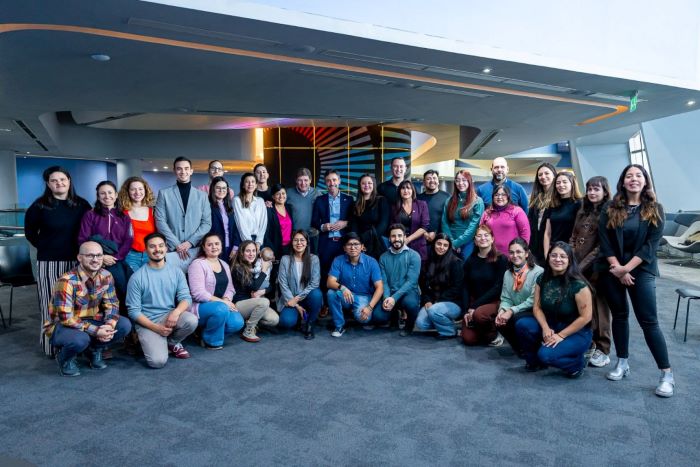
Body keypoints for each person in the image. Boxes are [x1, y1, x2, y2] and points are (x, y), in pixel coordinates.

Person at [598, 164, 674, 397]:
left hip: (641, 269)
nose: (633, 179)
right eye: (629, 176)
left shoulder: (655, 209)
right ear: (622, 181)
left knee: (649, 321)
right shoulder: (610, 208)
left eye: (638, 175)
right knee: (619, 316)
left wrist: (626, 269)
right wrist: (618, 268)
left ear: (645, 181)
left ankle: (666, 374)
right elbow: (605, 240)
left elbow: (650, 245)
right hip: (612, 268)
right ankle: (622, 362)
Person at [25, 166, 91, 356]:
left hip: (77, 263)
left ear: (69, 181)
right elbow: (30, 233)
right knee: (50, 303)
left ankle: (76, 345)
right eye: (54, 180)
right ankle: (51, 346)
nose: (59, 183)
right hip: (49, 262)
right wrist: (46, 246)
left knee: (77, 304)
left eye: (62, 179)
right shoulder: (39, 206)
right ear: (48, 184)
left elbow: (89, 230)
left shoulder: (82, 204)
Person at [44, 241, 132, 376]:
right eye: (90, 256)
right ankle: (65, 358)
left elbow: (112, 304)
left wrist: (109, 325)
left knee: (124, 325)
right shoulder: (67, 280)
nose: (95, 260)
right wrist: (96, 331)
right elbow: (66, 318)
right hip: (64, 325)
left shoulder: (106, 276)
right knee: (80, 340)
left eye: (99, 255)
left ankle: (94, 349)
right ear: (79, 257)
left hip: (92, 319)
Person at [515, 241, 593, 378]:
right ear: (549, 257)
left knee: (546, 355)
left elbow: (585, 317)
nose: (558, 259)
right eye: (554, 255)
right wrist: (545, 328)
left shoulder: (579, 285)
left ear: (569, 260)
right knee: (522, 324)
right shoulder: (542, 278)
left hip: (576, 331)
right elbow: (537, 307)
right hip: (552, 325)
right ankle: (536, 363)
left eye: (563, 256)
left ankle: (577, 364)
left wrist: (561, 335)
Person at [126, 233, 198, 368]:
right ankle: (151, 340)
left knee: (191, 320)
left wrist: (176, 312)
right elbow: (133, 312)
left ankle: (171, 342)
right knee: (157, 362)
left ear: (166, 248)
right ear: (146, 250)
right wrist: (157, 329)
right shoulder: (137, 277)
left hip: (169, 316)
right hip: (148, 322)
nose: (157, 249)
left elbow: (186, 298)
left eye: (160, 246)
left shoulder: (176, 272)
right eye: (152, 246)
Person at [569, 176, 613, 368]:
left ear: (605, 191)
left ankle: (603, 349)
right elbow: (574, 236)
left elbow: (601, 246)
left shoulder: (609, 212)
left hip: (597, 269)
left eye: (596, 189)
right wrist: (571, 259)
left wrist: (581, 266)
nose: (592, 193)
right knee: (584, 307)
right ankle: (590, 343)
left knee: (599, 308)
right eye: (589, 189)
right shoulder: (583, 210)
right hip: (577, 266)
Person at [78, 181, 133, 314]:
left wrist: (115, 258)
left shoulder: (124, 217)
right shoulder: (90, 215)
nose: (107, 196)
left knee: (123, 289)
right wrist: (101, 257)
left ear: (116, 195)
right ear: (98, 196)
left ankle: (122, 320)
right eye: (102, 193)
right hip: (93, 261)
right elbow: (83, 239)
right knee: (93, 294)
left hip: (116, 261)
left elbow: (128, 240)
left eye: (110, 192)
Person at [187, 233, 245, 349]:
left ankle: (205, 333)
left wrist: (226, 299)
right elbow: (198, 293)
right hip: (201, 307)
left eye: (217, 244)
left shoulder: (224, 264)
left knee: (237, 323)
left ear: (221, 246)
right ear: (204, 247)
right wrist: (223, 302)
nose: (214, 247)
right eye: (210, 245)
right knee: (221, 309)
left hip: (221, 306)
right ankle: (212, 341)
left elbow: (230, 288)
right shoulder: (197, 264)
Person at [154, 156, 212, 272]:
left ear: (191, 171)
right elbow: (160, 221)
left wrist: (190, 242)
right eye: (179, 168)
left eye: (186, 168)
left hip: (195, 249)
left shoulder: (202, 196)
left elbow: (206, 223)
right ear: (174, 171)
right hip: (172, 249)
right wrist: (177, 244)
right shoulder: (164, 193)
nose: (183, 171)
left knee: (195, 280)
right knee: (172, 280)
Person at [326, 233, 386, 337]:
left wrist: (369, 307)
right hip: (346, 294)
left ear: (362, 247)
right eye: (349, 244)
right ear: (344, 248)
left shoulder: (371, 262)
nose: (353, 247)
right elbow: (330, 282)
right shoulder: (338, 260)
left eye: (356, 244)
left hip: (364, 296)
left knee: (364, 319)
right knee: (331, 293)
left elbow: (380, 287)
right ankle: (339, 325)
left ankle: (352, 312)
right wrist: (342, 288)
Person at [494, 238, 544, 356]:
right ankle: (520, 349)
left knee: (516, 319)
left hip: (534, 311)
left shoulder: (538, 272)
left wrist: (511, 311)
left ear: (526, 253)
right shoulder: (508, 273)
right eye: (511, 252)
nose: (515, 255)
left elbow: (533, 300)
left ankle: (534, 348)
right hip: (517, 311)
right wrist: (502, 311)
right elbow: (506, 298)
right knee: (500, 320)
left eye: (518, 252)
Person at [461, 225, 508, 346]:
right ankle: (481, 329)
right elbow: (465, 287)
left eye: (486, 235)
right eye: (479, 236)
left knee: (479, 316)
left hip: (494, 302)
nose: (483, 238)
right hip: (474, 303)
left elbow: (498, 288)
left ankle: (497, 330)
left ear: (492, 239)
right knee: (468, 339)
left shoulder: (501, 259)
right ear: (475, 241)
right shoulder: (470, 261)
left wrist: (474, 307)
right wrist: (466, 311)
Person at [311, 170, 354, 292]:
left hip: (344, 242)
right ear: (325, 183)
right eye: (328, 180)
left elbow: (354, 220)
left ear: (339, 181)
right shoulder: (319, 200)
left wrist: (345, 223)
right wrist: (323, 227)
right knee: (325, 272)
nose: (332, 183)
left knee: (345, 272)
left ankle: (343, 297)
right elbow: (314, 221)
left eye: (334, 180)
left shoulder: (349, 199)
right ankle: (325, 300)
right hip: (326, 243)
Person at [415, 234, 464, 339]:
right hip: (433, 302)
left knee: (434, 311)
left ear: (449, 247)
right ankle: (445, 322)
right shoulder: (427, 262)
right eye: (439, 244)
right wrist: (427, 301)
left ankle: (449, 332)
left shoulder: (455, 263)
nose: (441, 247)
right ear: (434, 244)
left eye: (445, 245)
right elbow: (424, 287)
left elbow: (457, 288)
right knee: (421, 323)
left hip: (453, 302)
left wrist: (438, 302)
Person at [230, 240, 280, 342]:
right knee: (264, 302)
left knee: (274, 319)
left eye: (253, 251)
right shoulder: (238, 267)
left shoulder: (255, 264)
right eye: (248, 251)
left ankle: (252, 322)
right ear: (242, 252)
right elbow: (255, 286)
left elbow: (270, 286)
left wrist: (262, 292)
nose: (251, 254)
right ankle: (248, 331)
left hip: (254, 302)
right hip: (239, 304)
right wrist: (264, 270)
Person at [277, 230, 322, 339]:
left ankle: (310, 324)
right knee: (287, 321)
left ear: (307, 243)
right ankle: (298, 317)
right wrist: (296, 305)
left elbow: (315, 283)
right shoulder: (285, 259)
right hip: (290, 298)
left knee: (317, 294)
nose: (299, 243)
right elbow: (283, 284)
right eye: (295, 240)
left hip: (307, 297)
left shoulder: (314, 259)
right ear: (291, 242)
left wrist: (297, 299)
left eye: (302, 240)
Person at [379, 225, 421, 336]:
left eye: (399, 236)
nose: (396, 239)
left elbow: (411, 282)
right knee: (379, 313)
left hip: (409, 291)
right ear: (389, 238)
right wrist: (386, 297)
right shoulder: (383, 257)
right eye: (393, 236)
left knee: (410, 304)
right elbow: (384, 281)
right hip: (391, 291)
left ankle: (409, 326)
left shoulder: (414, 255)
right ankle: (394, 321)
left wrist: (393, 298)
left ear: (404, 237)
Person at [441, 169, 484, 259]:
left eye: (464, 180)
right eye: (457, 180)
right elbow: (444, 222)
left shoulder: (477, 201)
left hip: (469, 242)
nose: (460, 183)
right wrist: (451, 241)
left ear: (469, 182)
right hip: (449, 241)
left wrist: (456, 243)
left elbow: (473, 227)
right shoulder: (449, 200)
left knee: (465, 266)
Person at [118, 176, 156, 272]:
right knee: (134, 280)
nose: (137, 192)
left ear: (145, 190)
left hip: (150, 254)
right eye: (133, 189)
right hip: (130, 255)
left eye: (140, 189)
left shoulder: (153, 211)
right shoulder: (121, 213)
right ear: (127, 192)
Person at [479, 185, 530, 256]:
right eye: (496, 195)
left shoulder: (517, 211)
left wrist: (522, 252)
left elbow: (525, 233)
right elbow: (480, 231)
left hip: (512, 255)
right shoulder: (487, 212)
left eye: (503, 194)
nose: (499, 197)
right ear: (493, 197)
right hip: (491, 254)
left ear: (508, 196)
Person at [542, 171, 583, 256]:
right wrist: (546, 254)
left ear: (572, 184)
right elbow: (547, 233)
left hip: (571, 250)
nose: (561, 185)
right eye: (558, 183)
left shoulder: (580, 204)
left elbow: (581, 232)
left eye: (564, 182)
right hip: (554, 249)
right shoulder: (552, 204)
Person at [349, 174, 389, 259]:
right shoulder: (355, 204)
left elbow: (384, 224)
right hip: (360, 243)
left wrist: (367, 237)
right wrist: (357, 242)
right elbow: (354, 226)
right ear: (360, 186)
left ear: (374, 185)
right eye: (363, 183)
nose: (366, 185)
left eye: (369, 183)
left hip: (378, 241)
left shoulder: (381, 200)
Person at [391, 180, 430, 261]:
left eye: (408, 188)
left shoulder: (422, 204)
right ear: (399, 191)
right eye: (403, 188)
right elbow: (392, 226)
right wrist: (400, 239)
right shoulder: (394, 207)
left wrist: (408, 239)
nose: (406, 190)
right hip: (400, 244)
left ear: (413, 190)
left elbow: (424, 226)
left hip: (418, 245)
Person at [527, 163, 557, 265]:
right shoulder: (536, 198)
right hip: (535, 246)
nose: (543, 177)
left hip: (552, 244)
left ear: (554, 175)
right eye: (540, 175)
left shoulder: (558, 197)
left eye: (546, 173)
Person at [286, 167, 320, 250]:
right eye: (300, 180)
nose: (303, 183)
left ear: (310, 180)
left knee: (313, 257)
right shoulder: (288, 193)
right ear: (296, 181)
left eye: (306, 180)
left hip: (312, 235)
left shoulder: (317, 194)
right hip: (295, 236)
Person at [208, 176, 240, 261]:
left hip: (230, 247)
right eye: (218, 188)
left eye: (224, 188)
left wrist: (235, 246)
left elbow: (235, 228)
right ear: (213, 189)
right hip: (214, 247)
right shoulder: (207, 205)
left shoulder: (229, 206)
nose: (221, 190)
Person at [233, 172, 268, 248]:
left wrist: (258, 242)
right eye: (247, 182)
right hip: (243, 239)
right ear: (243, 185)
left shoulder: (260, 201)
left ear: (256, 185)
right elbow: (241, 224)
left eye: (252, 181)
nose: (250, 184)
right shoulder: (237, 200)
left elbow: (263, 223)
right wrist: (249, 243)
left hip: (259, 240)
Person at [417, 169, 449, 244]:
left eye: (434, 178)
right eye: (428, 179)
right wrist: (424, 233)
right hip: (420, 239)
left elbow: (449, 219)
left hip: (441, 240)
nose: (432, 181)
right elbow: (415, 218)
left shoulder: (447, 197)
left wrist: (436, 233)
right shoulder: (418, 199)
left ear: (438, 181)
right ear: (424, 182)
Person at [264, 183, 294, 259]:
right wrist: (271, 249)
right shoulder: (269, 210)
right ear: (273, 196)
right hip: (275, 248)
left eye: (283, 193)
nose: (281, 196)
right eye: (278, 194)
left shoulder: (289, 208)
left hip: (290, 247)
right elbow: (266, 232)